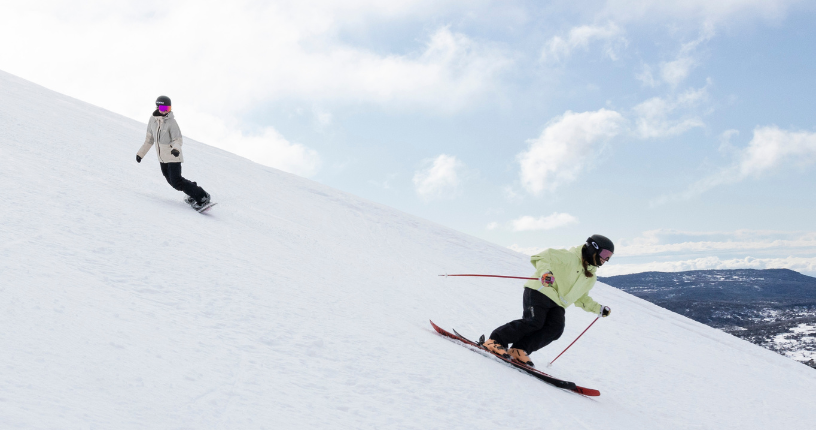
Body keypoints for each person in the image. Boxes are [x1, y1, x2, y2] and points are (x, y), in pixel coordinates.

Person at [482, 235, 614, 367]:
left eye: (609, 256)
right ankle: (495, 340)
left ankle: (519, 349)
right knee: (534, 321)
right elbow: (542, 257)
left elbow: (581, 297)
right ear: (593, 248)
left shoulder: (590, 277)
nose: (605, 259)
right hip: (541, 290)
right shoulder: (569, 256)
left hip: (558, 303)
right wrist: (546, 273)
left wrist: (599, 308)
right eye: (605, 253)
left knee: (556, 328)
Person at [136, 95, 211, 210]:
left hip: (173, 155)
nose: (166, 111)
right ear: (157, 108)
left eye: (168, 108)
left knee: (176, 182)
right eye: (163, 108)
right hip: (162, 158)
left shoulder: (172, 122)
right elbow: (149, 140)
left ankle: (202, 196)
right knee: (173, 182)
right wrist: (140, 154)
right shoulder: (152, 120)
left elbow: (178, 139)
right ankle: (193, 191)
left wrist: (176, 149)